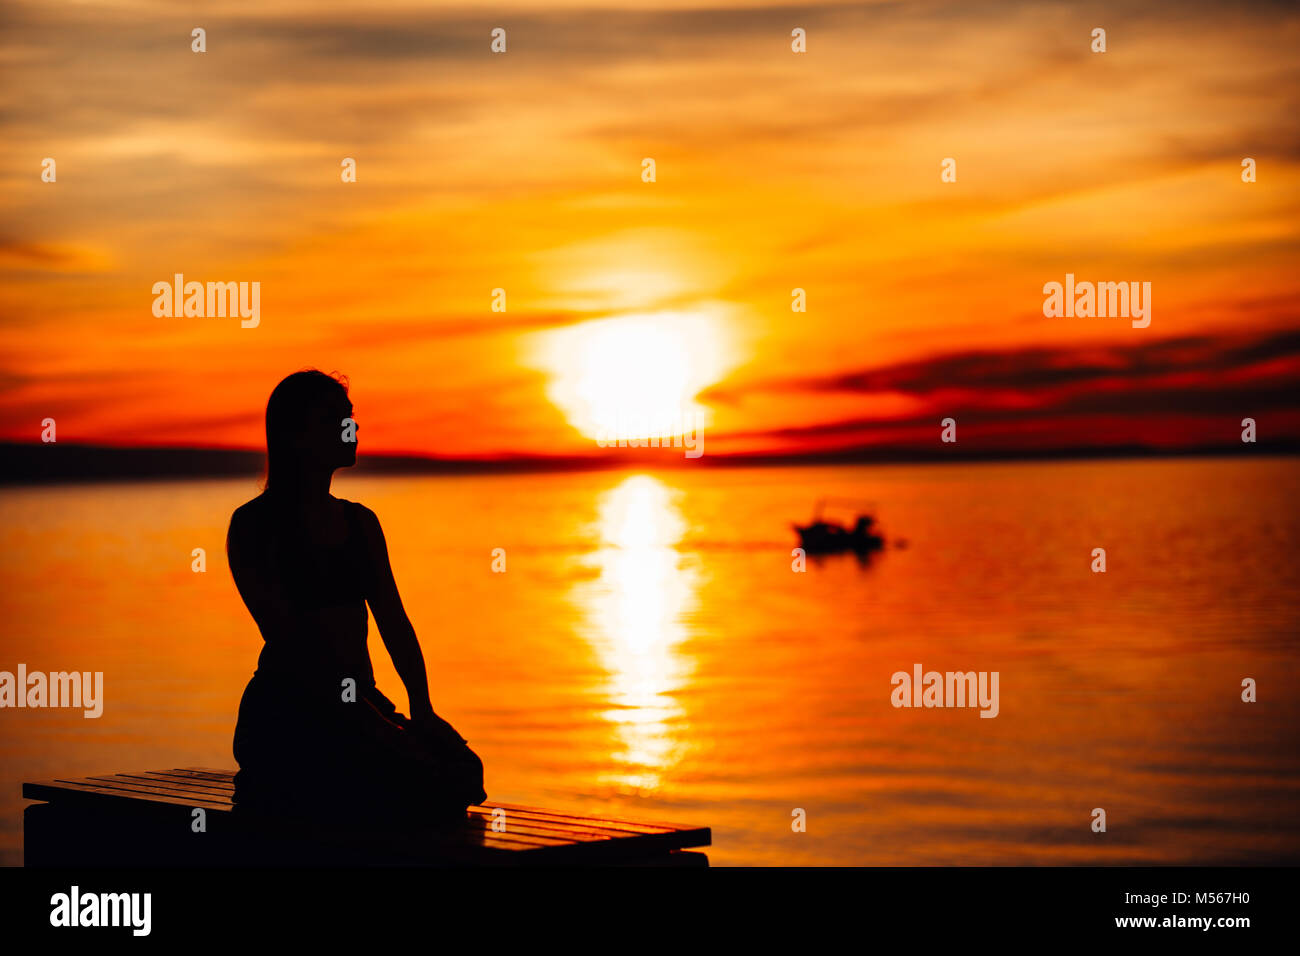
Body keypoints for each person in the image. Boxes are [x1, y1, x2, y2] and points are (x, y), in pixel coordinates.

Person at [227, 369, 485, 823]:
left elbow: (394, 622)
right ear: (297, 435)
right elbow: (294, 648)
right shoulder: (254, 526)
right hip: (292, 714)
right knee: (426, 790)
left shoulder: (360, 523)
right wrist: (382, 730)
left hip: (361, 706)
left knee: (464, 771)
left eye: (351, 417)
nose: (353, 428)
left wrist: (419, 711)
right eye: (335, 419)